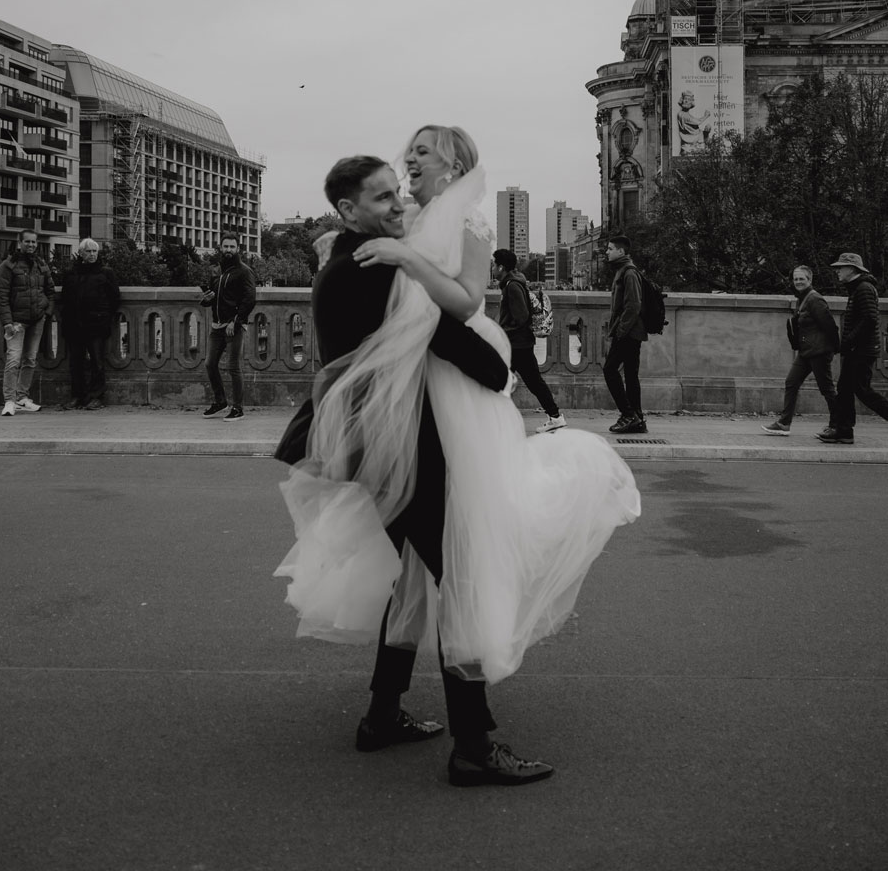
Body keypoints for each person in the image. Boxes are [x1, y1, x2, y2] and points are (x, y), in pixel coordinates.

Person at [275, 128, 639, 788]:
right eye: (382, 196)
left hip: (380, 445)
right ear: (348, 210)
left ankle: (382, 714)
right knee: (463, 578)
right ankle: (474, 745)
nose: (396, 201)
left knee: (415, 576)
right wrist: (497, 367)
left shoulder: (364, 253)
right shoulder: (371, 262)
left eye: (398, 189)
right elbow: (443, 331)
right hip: (397, 448)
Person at [818, 252, 888, 446]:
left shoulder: (863, 288)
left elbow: (869, 319)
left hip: (861, 349)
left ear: (852, 269)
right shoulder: (857, 288)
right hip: (858, 348)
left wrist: (849, 342)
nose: (837, 271)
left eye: (841, 267)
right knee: (845, 389)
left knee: (861, 390)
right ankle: (844, 431)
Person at [492, 248, 564, 431]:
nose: (492, 268)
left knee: (505, 380)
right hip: (518, 343)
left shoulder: (512, 286)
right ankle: (554, 416)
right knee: (517, 381)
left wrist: (503, 331)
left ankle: (555, 416)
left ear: (501, 267)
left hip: (517, 344)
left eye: (494, 264)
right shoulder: (512, 283)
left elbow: (521, 316)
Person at [762, 265, 839, 435]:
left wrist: (833, 349)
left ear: (809, 280)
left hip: (819, 352)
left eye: (801, 279)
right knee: (791, 382)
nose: (798, 282)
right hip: (806, 352)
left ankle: (837, 425)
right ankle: (784, 424)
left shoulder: (815, 300)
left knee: (826, 389)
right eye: (796, 279)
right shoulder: (802, 298)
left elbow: (830, 326)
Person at [0, 230, 54, 416]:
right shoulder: (8, 265)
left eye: (33, 242)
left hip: (37, 319)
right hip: (16, 322)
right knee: (13, 360)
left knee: (30, 359)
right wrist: (7, 322)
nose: (31, 245)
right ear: (19, 242)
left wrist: (47, 312)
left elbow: (51, 291)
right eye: (27, 242)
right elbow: (2, 297)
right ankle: (9, 401)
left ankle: (22, 397)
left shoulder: (41, 264)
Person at [59, 238, 121, 410]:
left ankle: (96, 397)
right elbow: (65, 298)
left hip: (97, 325)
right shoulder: (70, 274)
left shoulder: (106, 273)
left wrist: (104, 316)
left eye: (95, 251)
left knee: (97, 362)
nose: (92, 254)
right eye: (89, 251)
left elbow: (115, 298)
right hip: (74, 325)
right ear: (81, 253)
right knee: (75, 363)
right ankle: (77, 396)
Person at [200, 233, 256, 420]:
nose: (229, 250)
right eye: (226, 247)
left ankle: (238, 408)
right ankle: (220, 401)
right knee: (210, 364)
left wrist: (236, 321)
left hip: (234, 326)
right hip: (217, 326)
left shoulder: (244, 271)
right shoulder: (216, 271)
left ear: (238, 249)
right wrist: (207, 300)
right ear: (221, 248)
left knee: (233, 367)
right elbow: (214, 298)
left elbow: (249, 299)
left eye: (232, 247)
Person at [603, 233, 648, 435]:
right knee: (630, 375)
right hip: (632, 332)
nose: (607, 252)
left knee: (610, 370)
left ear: (621, 251)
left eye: (610, 248)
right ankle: (638, 419)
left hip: (629, 332)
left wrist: (620, 331)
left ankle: (628, 414)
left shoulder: (628, 272)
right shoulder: (623, 270)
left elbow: (633, 305)